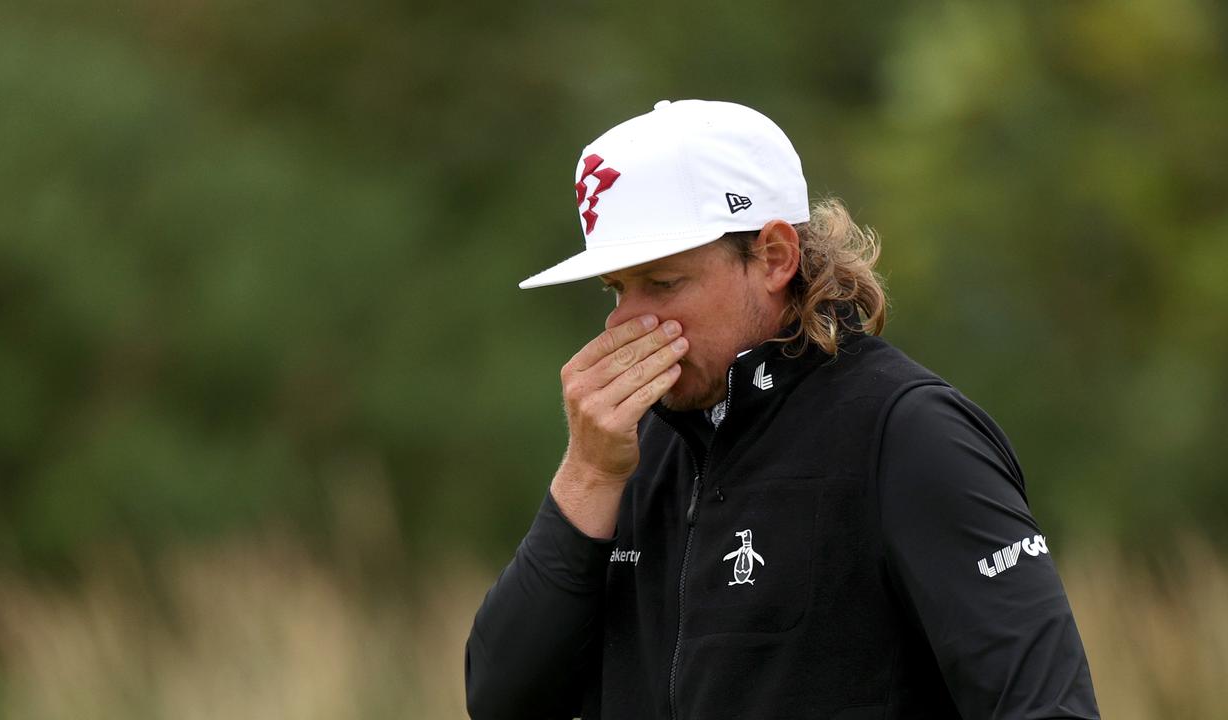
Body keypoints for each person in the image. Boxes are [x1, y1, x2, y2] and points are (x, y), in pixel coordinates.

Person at [465, 99, 1099, 720]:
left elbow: (1047, 707)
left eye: (661, 283)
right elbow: (501, 700)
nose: (627, 320)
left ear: (773, 257)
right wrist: (589, 475)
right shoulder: (631, 453)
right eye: (616, 289)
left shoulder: (908, 431)